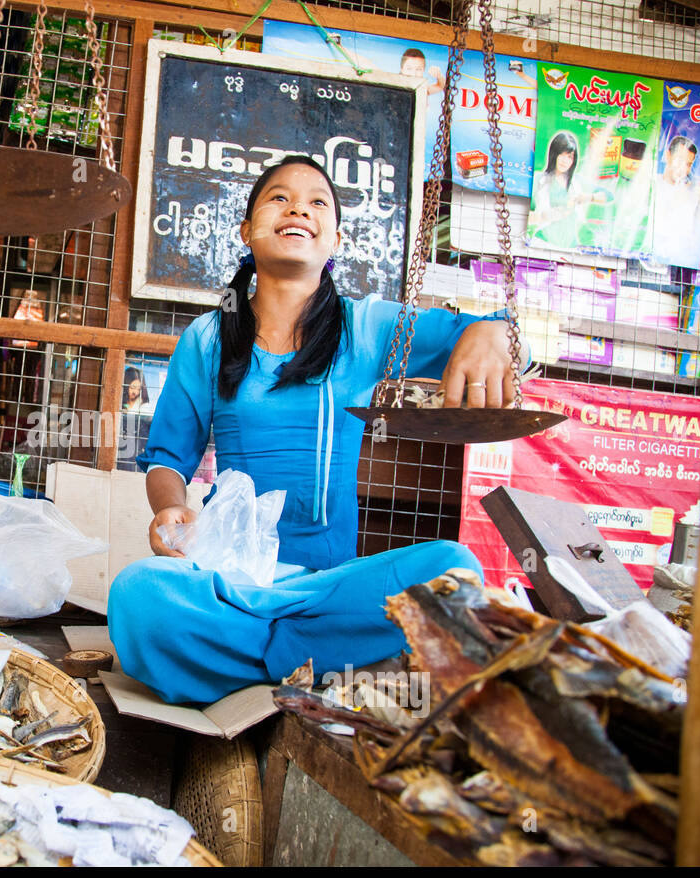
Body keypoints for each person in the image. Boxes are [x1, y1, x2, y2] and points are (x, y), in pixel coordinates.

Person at [107, 156, 527, 705]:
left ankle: (252, 659)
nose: (298, 207)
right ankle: (321, 659)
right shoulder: (208, 338)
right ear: (246, 230)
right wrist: (169, 508)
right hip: (234, 583)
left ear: (334, 240)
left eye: (317, 202)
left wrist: (494, 331)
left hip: (332, 588)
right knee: (138, 596)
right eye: (278, 198)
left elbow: (484, 331)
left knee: (452, 570)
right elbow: (166, 456)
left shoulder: (367, 326)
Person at [651, 136, 700, 267]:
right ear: (668, 156)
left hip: (681, 262)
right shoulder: (653, 183)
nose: (683, 168)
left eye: (688, 164)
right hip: (651, 256)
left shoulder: (694, 191)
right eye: (679, 160)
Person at [528, 131, 590, 249]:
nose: (564, 160)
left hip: (571, 248)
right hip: (544, 243)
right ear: (554, 154)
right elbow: (527, 216)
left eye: (569, 157)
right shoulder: (539, 180)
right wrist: (543, 216)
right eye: (561, 155)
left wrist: (589, 198)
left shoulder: (575, 184)